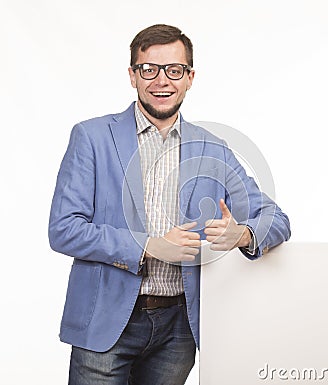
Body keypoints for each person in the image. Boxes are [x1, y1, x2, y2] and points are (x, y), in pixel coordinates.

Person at [49, 24, 291, 385]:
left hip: (177, 330)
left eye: (174, 70)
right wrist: (148, 246)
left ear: (190, 77)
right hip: (105, 323)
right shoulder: (92, 137)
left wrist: (242, 234)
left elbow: (277, 219)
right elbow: (64, 229)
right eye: (149, 69)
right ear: (132, 76)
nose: (161, 81)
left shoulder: (214, 148)